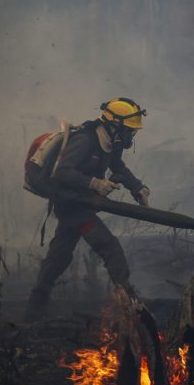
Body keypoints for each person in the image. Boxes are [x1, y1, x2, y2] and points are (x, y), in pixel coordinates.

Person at [24, 98, 150, 321]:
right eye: (128, 130)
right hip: (70, 205)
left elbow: (117, 165)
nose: (130, 136)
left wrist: (137, 187)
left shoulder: (109, 142)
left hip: (78, 204)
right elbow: (62, 172)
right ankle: (129, 302)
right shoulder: (85, 140)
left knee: (59, 256)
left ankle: (35, 307)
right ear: (114, 125)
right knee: (109, 247)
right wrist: (94, 183)